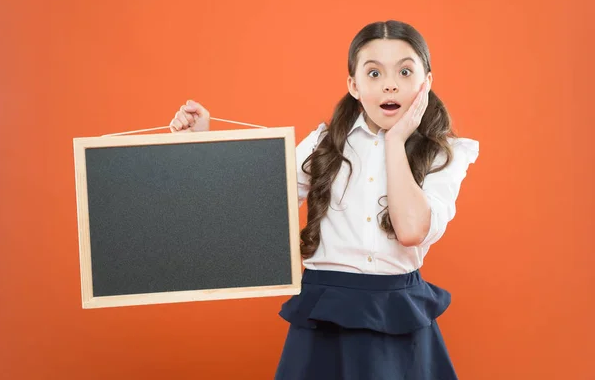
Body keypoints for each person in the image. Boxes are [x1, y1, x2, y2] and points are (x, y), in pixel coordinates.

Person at [169, 20, 479, 380]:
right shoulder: (324, 145)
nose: (390, 83)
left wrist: (396, 141)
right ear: (354, 86)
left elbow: (411, 230)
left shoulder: (447, 154)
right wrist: (202, 145)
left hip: (396, 313)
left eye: (405, 71)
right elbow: (252, 206)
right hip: (324, 314)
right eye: (374, 72)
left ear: (426, 82)